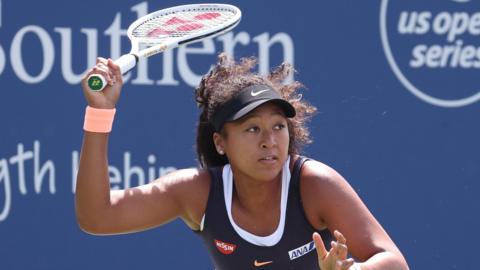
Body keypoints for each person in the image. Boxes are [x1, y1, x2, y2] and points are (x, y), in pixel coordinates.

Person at [76, 53, 409, 270]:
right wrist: (100, 113)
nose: (269, 139)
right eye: (252, 129)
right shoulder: (197, 192)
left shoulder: (315, 184)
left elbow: (393, 262)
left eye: (279, 126)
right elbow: (97, 217)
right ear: (221, 143)